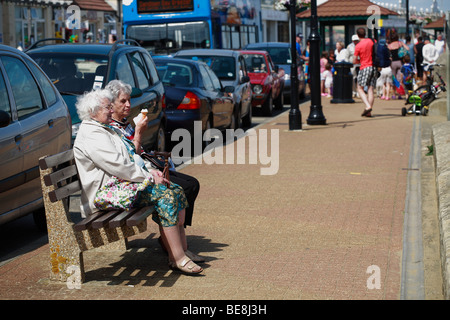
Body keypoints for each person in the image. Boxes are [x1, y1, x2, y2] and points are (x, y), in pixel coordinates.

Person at [73, 88, 203, 274]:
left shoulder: (105, 128)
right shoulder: (92, 134)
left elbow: (132, 157)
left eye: (111, 106)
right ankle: (177, 258)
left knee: (175, 189)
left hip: (120, 185)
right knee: (164, 195)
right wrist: (150, 178)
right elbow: (119, 166)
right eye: (107, 107)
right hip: (104, 192)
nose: (112, 110)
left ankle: (181, 249)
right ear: (93, 112)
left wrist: (152, 172)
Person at [105, 80, 200, 229]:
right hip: (136, 175)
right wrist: (139, 132)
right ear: (111, 103)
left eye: (129, 100)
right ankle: (174, 233)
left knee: (193, 184)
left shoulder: (124, 122)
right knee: (183, 188)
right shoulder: (112, 128)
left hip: (147, 167)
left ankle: (180, 229)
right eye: (123, 101)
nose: (128, 105)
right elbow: (131, 158)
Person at [353, 27, 376, 117]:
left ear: (358, 35)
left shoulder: (358, 46)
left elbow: (354, 61)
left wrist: (360, 61)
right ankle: (369, 112)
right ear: (365, 34)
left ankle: (367, 106)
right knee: (370, 89)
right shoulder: (371, 41)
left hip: (364, 67)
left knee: (359, 88)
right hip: (373, 67)